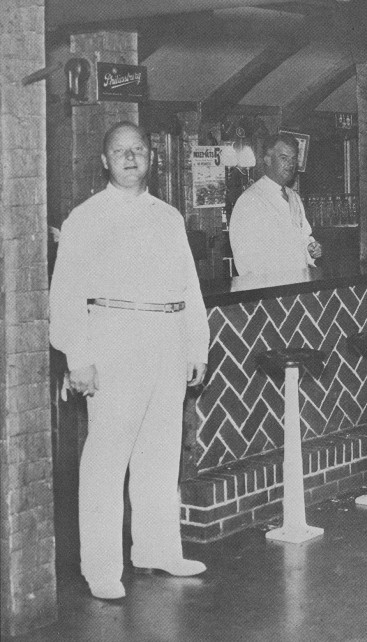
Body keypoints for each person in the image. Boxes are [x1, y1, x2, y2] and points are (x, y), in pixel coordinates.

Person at [49, 121, 210, 600]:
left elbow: (190, 289)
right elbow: (66, 295)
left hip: (167, 341)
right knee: (106, 458)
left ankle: (157, 548)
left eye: (139, 149)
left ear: (151, 157)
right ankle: (100, 567)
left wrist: (195, 345)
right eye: (120, 151)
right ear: (104, 161)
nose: (130, 158)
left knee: (160, 455)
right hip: (114, 344)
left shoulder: (169, 217)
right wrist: (78, 358)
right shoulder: (85, 218)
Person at [229, 132, 322, 277]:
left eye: (293, 159)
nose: (290, 164)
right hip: (271, 290)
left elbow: (302, 237)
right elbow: (245, 259)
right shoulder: (250, 200)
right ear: (267, 160)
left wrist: (310, 248)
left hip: (299, 285)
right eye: (283, 158)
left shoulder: (294, 198)